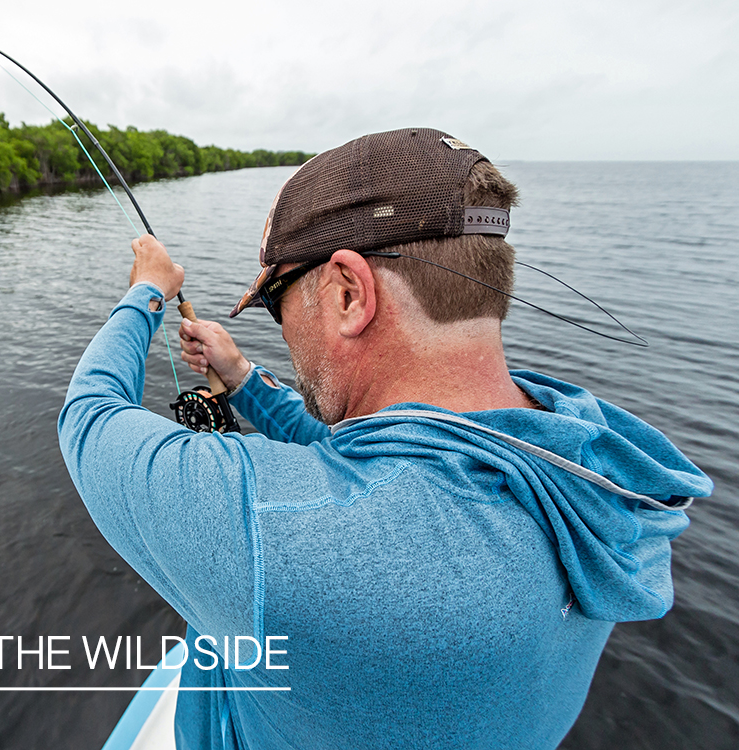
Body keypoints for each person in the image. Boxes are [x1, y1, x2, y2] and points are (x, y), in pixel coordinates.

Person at [57, 128, 712, 749]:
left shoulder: (279, 532)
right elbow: (376, 452)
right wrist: (242, 378)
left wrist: (146, 291)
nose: (283, 332)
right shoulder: (593, 471)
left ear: (348, 292)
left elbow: (87, 417)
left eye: (279, 303)